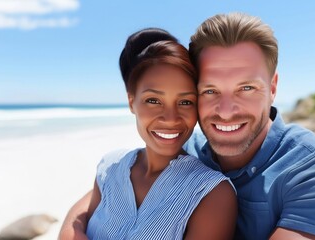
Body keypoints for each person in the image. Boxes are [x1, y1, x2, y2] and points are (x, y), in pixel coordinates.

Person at [60, 12, 315, 240]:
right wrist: (72, 232)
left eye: (246, 88)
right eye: (210, 91)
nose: (226, 111)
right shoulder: (186, 149)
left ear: (273, 86)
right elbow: (95, 198)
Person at [81, 28, 237, 239]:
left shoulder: (212, 193)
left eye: (185, 102)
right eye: (153, 100)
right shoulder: (110, 167)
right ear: (131, 102)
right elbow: (79, 219)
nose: (170, 118)